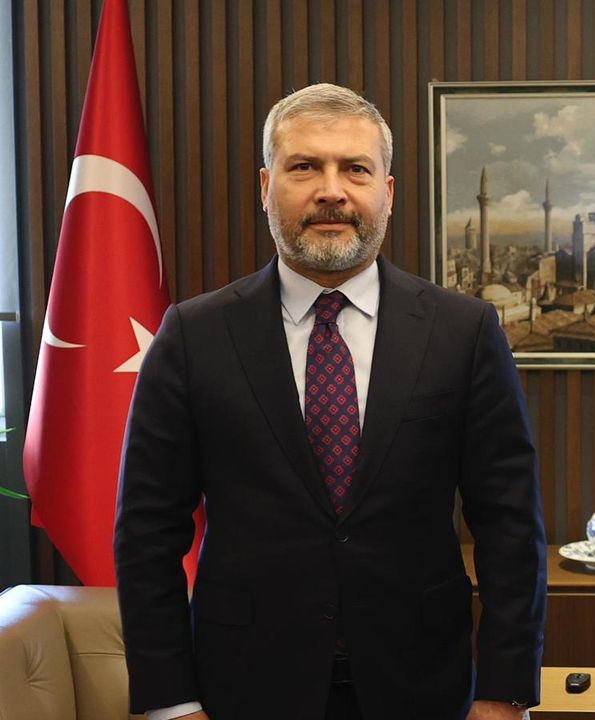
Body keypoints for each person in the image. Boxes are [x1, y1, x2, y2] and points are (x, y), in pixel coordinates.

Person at [114, 83, 546, 720]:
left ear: (387, 193)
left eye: (355, 169)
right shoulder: (192, 335)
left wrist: (504, 693)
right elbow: (147, 532)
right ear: (266, 188)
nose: (331, 190)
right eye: (304, 167)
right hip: (244, 688)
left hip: (425, 687)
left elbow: (510, 525)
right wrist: (171, 703)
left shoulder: (464, 331)